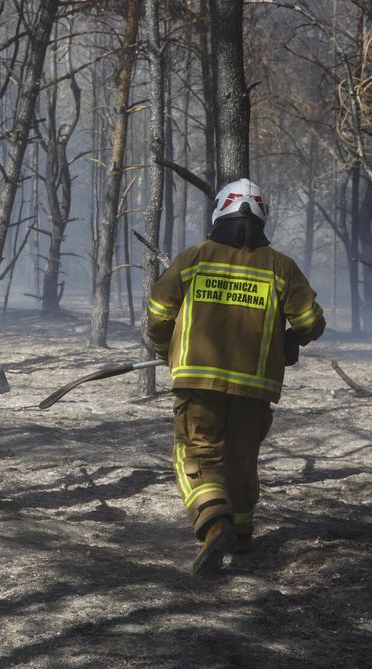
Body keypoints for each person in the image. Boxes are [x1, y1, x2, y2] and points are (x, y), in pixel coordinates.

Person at [146, 178, 326, 575]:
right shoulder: (281, 266)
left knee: (195, 454)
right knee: (242, 460)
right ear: (262, 217)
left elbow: (159, 312)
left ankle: (214, 527)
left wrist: (165, 350)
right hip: (254, 387)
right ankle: (242, 536)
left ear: (219, 213)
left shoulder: (194, 258)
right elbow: (311, 321)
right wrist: (291, 338)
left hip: (198, 383)